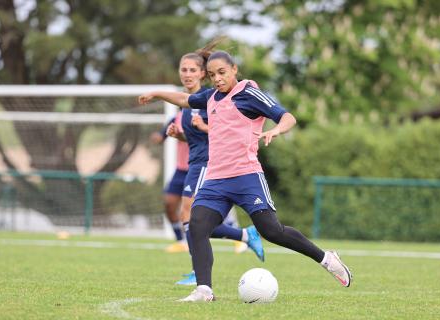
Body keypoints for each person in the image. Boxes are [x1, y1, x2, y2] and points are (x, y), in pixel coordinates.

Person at [138, 49, 353, 302]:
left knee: (272, 231)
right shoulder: (211, 97)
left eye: (222, 73)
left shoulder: (249, 94)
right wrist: (156, 94)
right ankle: (204, 290)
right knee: (197, 226)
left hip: (246, 176)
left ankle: (327, 259)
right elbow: (185, 99)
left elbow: (287, 117)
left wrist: (276, 131)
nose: (217, 79)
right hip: (216, 178)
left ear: (234, 70)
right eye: (212, 75)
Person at [166, 50, 266, 286]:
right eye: (183, 70)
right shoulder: (187, 102)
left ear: (203, 74)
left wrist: (201, 127)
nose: (187, 74)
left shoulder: (209, 98)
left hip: (209, 164)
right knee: (193, 219)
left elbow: (226, 134)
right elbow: (194, 138)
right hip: (195, 163)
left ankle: (197, 272)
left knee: (188, 215)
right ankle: (243, 235)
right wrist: (178, 135)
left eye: (192, 70)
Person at [149, 114, 189, 253]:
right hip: (180, 170)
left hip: (199, 168)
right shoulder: (177, 118)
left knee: (194, 210)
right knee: (169, 203)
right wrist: (158, 137)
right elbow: (162, 136)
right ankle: (181, 241)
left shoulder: (204, 114)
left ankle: (238, 235)